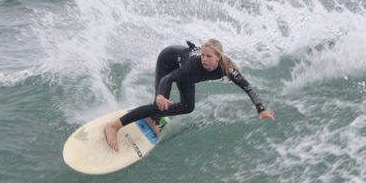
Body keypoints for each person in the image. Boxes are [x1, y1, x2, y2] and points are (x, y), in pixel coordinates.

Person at [104, 38, 275, 151]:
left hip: (186, 73)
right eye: (203, 55)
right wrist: (161, 95)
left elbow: (248, 87)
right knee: (159, 104)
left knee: (188, 107)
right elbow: (168, 78)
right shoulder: (194, 65)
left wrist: (261, 109)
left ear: (218, 57)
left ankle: (153, 117)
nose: (204, 59)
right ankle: (115, 125)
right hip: (168, 60)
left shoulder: (227, 69)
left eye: (209, 56)